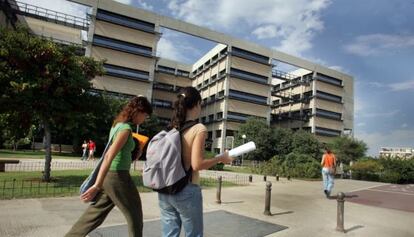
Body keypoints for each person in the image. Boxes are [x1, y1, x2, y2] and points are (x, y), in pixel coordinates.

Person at [65, 96, 153, 237]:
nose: (144, 119)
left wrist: (137, 153)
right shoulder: (125, 129)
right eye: (145, 115)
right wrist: (97, 185)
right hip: (118, 177)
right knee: (135, 215)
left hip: (112, 176)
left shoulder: (117, 125)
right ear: (138, 112)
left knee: (94, 215)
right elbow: (108, 156)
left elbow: (119, 156)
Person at [158, 87, 234, 237]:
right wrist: (221, 158)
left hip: (164, 189)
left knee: (169, 234)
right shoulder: (198, 128)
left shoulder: (170, 128)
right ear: (198, 104)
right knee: (194, 234)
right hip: (186, 189)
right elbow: (197, 164)